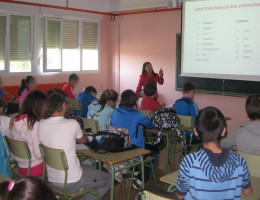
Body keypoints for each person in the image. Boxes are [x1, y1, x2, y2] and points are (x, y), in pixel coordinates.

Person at [39, 89, 110, 200]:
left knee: (87, 167)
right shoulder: (72, 123)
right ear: (63, 105)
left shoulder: (41, 123)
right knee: (108, 179)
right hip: (71, 181)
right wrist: (82, 134)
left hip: (52, 179)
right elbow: (84, 141)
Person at [176, 107, 252, 200]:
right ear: (223, 131)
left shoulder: (189, 161)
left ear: (196, 131)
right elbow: (248, 192)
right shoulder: (239, 161)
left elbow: (180, 195)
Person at [111, 90, 154, 188]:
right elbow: (150, 126)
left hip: (117, 148)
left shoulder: (115, 112)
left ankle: (133, 171)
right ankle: (139, 180)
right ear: (135, 102)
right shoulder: (137, 114)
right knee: (154, 155)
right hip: (133, 150)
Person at [11, 91, 47, 177]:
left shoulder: (15, 121)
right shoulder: (34, 124)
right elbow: (39, 154)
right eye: (45, 105)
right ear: (39, 106)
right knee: (61, 163)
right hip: (36, 168)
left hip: (21, 167)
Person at [174, 81, 200, 146]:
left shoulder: (176, 103)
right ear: (192, 91)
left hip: (178, 135)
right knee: (207, 135)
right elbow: (197, 120)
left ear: (183, 91)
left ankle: (185, 150)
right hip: (191, 137)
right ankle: (199, 154)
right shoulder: (192, 104)